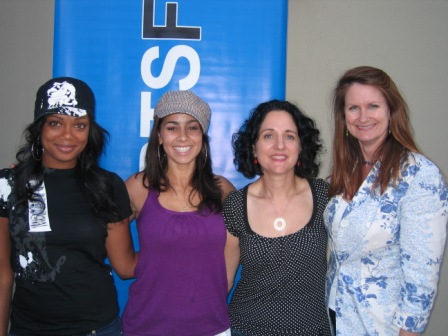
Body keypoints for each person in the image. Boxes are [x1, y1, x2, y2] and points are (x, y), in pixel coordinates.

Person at [0, 77, 137, 336]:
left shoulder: (108, 185)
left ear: (90, 131)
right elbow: (2, 274)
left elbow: (125, 266)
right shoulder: (7, 185)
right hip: (29, 329)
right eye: (55, 123)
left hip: (98, 328)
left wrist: (181, 248)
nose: (67, 135)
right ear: (39, 128)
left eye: (79, 125)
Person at [325, 66, 448, 336]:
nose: (363, 116)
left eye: (373, 106)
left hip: (382, 326)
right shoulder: (345, 171)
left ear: (391, 111)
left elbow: (422, 273)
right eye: (353, 108)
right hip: (337, 315)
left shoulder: (419, 175)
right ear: (343, 118)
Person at [121, 90, 235, 336]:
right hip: (146, 327)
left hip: (212, 328)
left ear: (202, 135)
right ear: (159, 135)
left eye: (192, 127)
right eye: (172, 128)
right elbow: (98, 231)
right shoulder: (137, 187)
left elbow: (235, 253)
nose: (183, 137)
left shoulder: (223, 189)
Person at [223, 100, 331, 335]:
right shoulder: (235, 205)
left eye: (290, 136)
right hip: (246, 328)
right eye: (269, 136)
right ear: (253, 148)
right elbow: (224, 282)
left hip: (312, 330)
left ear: (301, 146)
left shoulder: (324, 195)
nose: (279, 145)